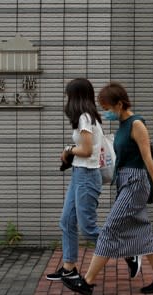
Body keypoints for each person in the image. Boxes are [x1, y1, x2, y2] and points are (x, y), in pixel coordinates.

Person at [62, 81, 153, 295]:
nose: (106, 113)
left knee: (109, 230)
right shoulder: (123, 126)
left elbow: (148, 158)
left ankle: (86, 281)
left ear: (120, 104)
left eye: (107, 108)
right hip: (125, 181)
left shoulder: (136, 124)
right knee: (143, 231)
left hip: (136, 182)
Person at [46, 78, 103, 281]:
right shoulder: (88, 117)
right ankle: (69, 267)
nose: (66, 99)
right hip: (80, 174)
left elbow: (86, 150)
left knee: (88, 227)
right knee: (67, 221)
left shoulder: (85, 118)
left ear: (76, 96)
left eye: (68, 95)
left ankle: (128, 250)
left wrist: (68, 150)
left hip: (86, 176)